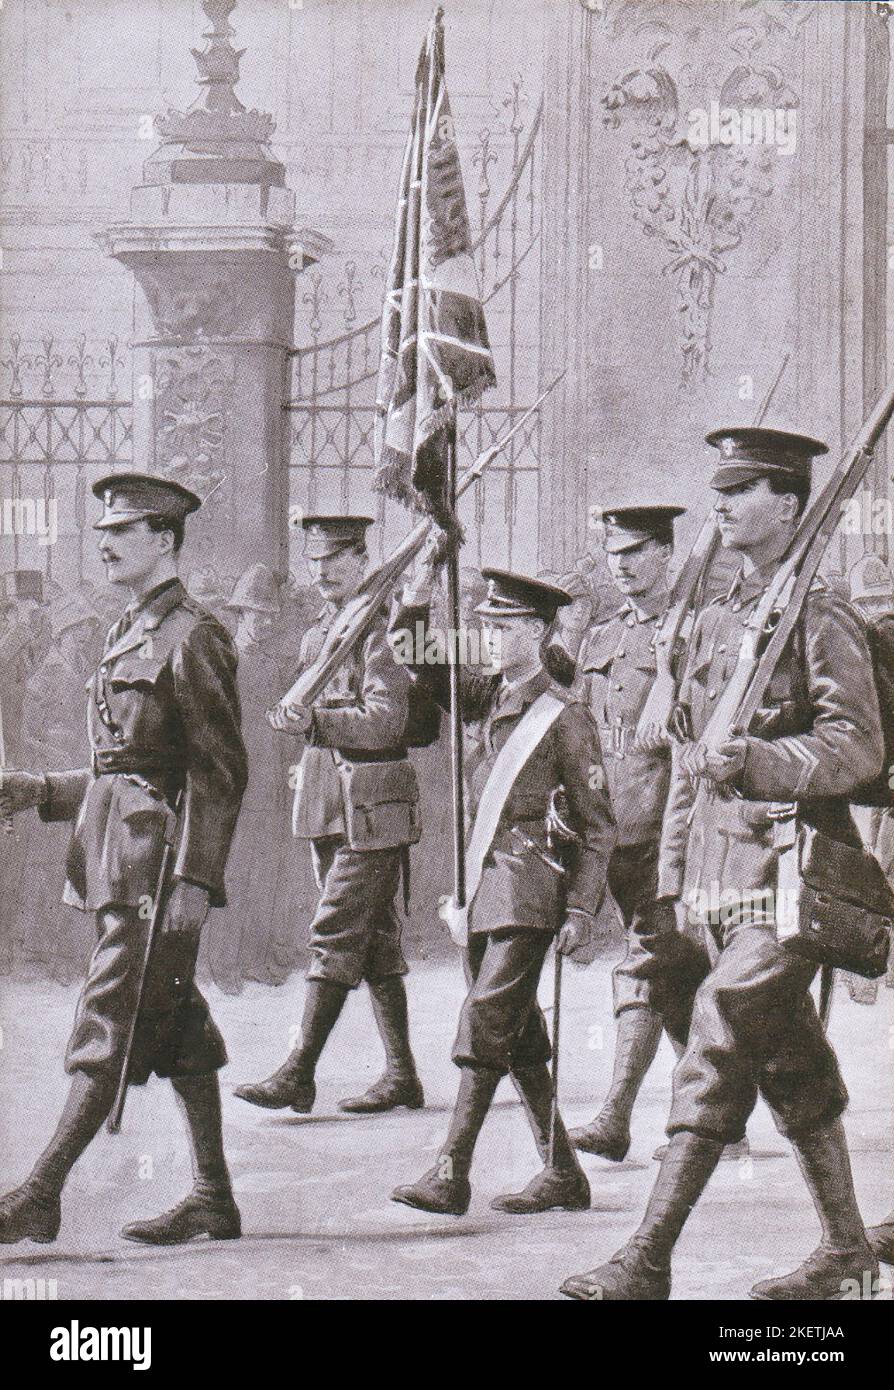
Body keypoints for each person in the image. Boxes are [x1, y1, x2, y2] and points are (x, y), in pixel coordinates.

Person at [561, 426, 884, 1301]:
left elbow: (857, 748)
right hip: (715, 878)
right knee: (785, 1059)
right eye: (720, 488)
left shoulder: (820, 616)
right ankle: (849, 1250)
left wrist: (762, 761)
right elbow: (680, 770)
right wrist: (669, 882)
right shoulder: (713, 622)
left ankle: (647, 1259)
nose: (723, 503)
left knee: (718, 1020)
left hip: (793, 873)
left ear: (789, 505)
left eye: (744, 489)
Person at [0, 472, 247, 1247]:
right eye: (102, 527)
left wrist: (197, 882)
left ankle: (40, 1193)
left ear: (164, 540)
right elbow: (124, 767)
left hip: (159, 869)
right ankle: (214, 1197)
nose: (103, 540)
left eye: (123, 528)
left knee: (111, 1014)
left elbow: (217, 772)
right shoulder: (130, 628)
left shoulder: (192, 635)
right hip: (120, 858)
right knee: (173, 1023)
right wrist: (39, 788)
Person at [390, 555, 616, 1216]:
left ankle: (450, 1171)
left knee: (486, 1016)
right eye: (484, 622)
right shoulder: (483, 695)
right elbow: (413, 651)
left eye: (504, 623)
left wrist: (581, 907)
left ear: (539, 631)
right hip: (481, 883)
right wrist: (422, 582)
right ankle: (564, 1173)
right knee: (515, 1034)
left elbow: (599, 826)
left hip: (530, 885)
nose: (487, 634)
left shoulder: (564, 716)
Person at [234, 515, 425, 1117]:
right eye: (314, 562)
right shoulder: (322, 630)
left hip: (373, 805)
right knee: (375, 942)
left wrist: (316, 721)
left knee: (335, 930)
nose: (322, 572)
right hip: (329, 803)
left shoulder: (381, 631)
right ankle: (402, 1076)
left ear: (361, 558)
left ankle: (298, 1070)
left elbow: (387, 721)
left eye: (335, 560)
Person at [569, 506, 694, 1163]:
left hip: (672, 827)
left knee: (645, 962)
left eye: (637, 550)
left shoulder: (693, 628)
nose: (622, 563)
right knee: (673, 977)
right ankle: (712, 1121)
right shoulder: (601, 637)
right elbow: (584, 731)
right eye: (614, 551)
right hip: (614, 827)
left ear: (666, 552)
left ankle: (615, 1117)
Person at [201, 563, 289, 991]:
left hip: (268, 783)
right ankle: (224, 965)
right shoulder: (224, 660)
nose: (266, 622)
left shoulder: (272, 665)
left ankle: (255, 960)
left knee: (266, 875)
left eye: (271, 615)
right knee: (232, 876)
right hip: (234, 786)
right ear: (240, 615)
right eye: (258, 614)